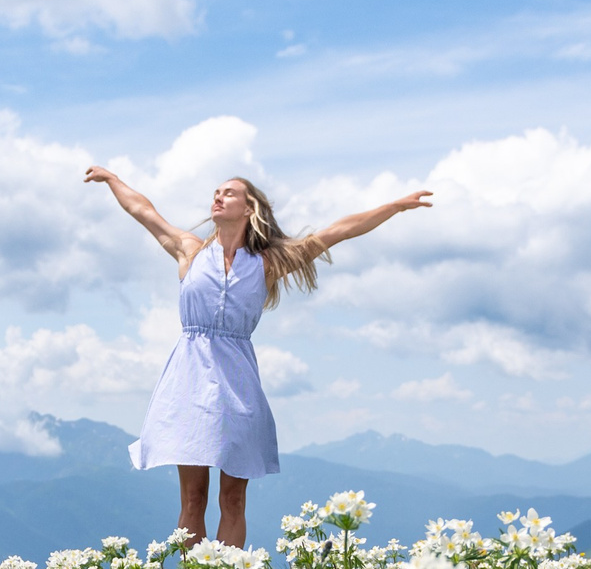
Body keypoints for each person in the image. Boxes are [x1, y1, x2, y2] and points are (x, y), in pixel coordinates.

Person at [83, 168, 432, 548]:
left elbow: (338, 231)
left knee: (233, 498)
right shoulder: (191, 250)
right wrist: (112, 179)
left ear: (250, 209)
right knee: (193, 498)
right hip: (189, 378)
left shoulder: (267, 263)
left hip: (238, 381)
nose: (217, 197)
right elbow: (143, 210)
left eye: (228, 193)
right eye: (215, 192)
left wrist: (395, 206)